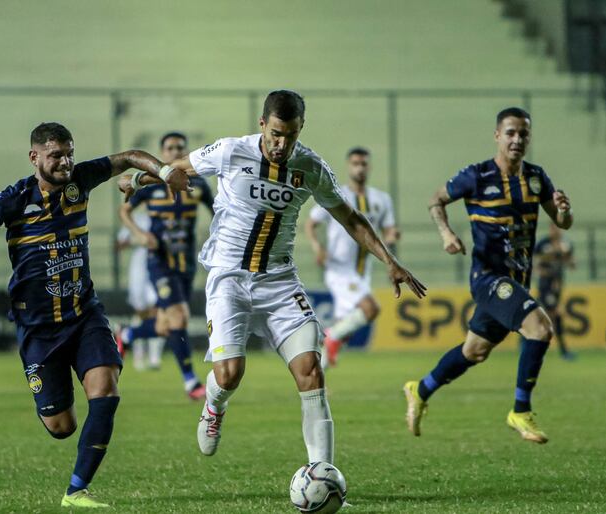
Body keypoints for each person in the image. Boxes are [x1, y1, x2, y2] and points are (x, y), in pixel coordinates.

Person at [120, 90, 426, 466]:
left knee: (311, 371)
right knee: (229, 374)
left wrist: (389, 261)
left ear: (301, 130)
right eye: (276, 134)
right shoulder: (232, 151)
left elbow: (349, 217)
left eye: (291, 135)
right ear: (262, 124)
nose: (282, 144)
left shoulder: (310, 167)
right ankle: (214, 407)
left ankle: (322, 472)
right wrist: (138, 179)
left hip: (279, 281)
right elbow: (178, 167)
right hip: (229, 277)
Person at [0, 122, 186, 508]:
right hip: (39, 330)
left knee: (106, 390)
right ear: (35, 158)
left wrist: (162, 173)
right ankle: (59, 417)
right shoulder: (15, 198)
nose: (65, 162)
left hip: (84, 313)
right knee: (61, 427)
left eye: (69, 153)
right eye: (55, 155)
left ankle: (76, 491)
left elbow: (129, 156)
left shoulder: (81, 178)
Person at [403, 107, 573, 445]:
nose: (517, 139)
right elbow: (435, 200)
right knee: (540, 328)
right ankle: (520, 410)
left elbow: (562, 222)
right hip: (489, 279)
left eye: (523, 133)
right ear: (497, 135)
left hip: (517, 280)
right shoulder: (477, 175)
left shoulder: (537, 178)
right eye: (510, 133)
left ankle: (419, 389)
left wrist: (565, 212)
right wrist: (446, 234)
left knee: (474, 351)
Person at [119, 132, 215, 399]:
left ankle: (126, 334)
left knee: (165, 326)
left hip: (186, 263)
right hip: (159, 262)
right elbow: (124, 211)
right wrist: (139, 235)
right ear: (162, 152)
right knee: (180, 317)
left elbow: (219, 210)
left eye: (179, 148)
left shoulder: (198, 184)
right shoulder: (150, 184)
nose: (174, 151)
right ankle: (190, 382)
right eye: (170, 148)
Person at [305, 146, 399, 368]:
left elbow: (389, 231)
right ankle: (332, 336)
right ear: (349, 166)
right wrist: (317, 247)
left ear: (369, 166)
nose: (360, 168)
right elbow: (311, 223)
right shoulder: (338, 195)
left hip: (362, 271)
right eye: (355, 164)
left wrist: (392, 236)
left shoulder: (381, 199)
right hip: (339, 268)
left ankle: (317, 379)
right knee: (371, 309)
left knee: (342, 330)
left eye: (363, 164)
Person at [115, 212, 164, 370]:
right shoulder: (137, 218)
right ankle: (138, 357)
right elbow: (119, 244)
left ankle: (155, 358)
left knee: (157, 310)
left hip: (157, 268)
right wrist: (135, 240)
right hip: (139, 270)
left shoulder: (162, 215)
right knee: (141, 312)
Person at [534, 223, 576, 359]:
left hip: (557, 285)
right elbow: (535, 264)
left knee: (542, 316)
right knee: (555, 314)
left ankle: (528, 345)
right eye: (552, 228)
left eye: (557, 228)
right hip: (545, 284)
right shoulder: (543, 244)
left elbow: (572, 265)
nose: (555, 231)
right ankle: (563, 351)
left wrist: (565, 256)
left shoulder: (566, 244)